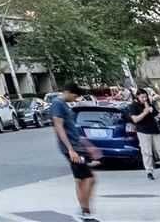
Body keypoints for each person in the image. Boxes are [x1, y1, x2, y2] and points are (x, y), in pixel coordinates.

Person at [49, 84, 101, 222]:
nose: (75, 99)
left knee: (81, 179)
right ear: (67, 92)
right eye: (75, 96)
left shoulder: (63, 105)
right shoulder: (57, 104)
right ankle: (85, 212)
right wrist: (70, 150)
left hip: (76, 146)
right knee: (88, 178)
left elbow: (72, 129)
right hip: (72, 149)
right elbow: (59, 127)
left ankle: (84, 211)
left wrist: (89, 146)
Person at [127, 88, 160, 178]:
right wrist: (145, 112)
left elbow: (156, 115)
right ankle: (149, 171)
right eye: (142, 97)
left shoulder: (149, 104)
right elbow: (135, 119)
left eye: (146, 97)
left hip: (154, 130)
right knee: (147, 152)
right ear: (137, 97)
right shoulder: (133, 106)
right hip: (143, 131)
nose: (145, 99)